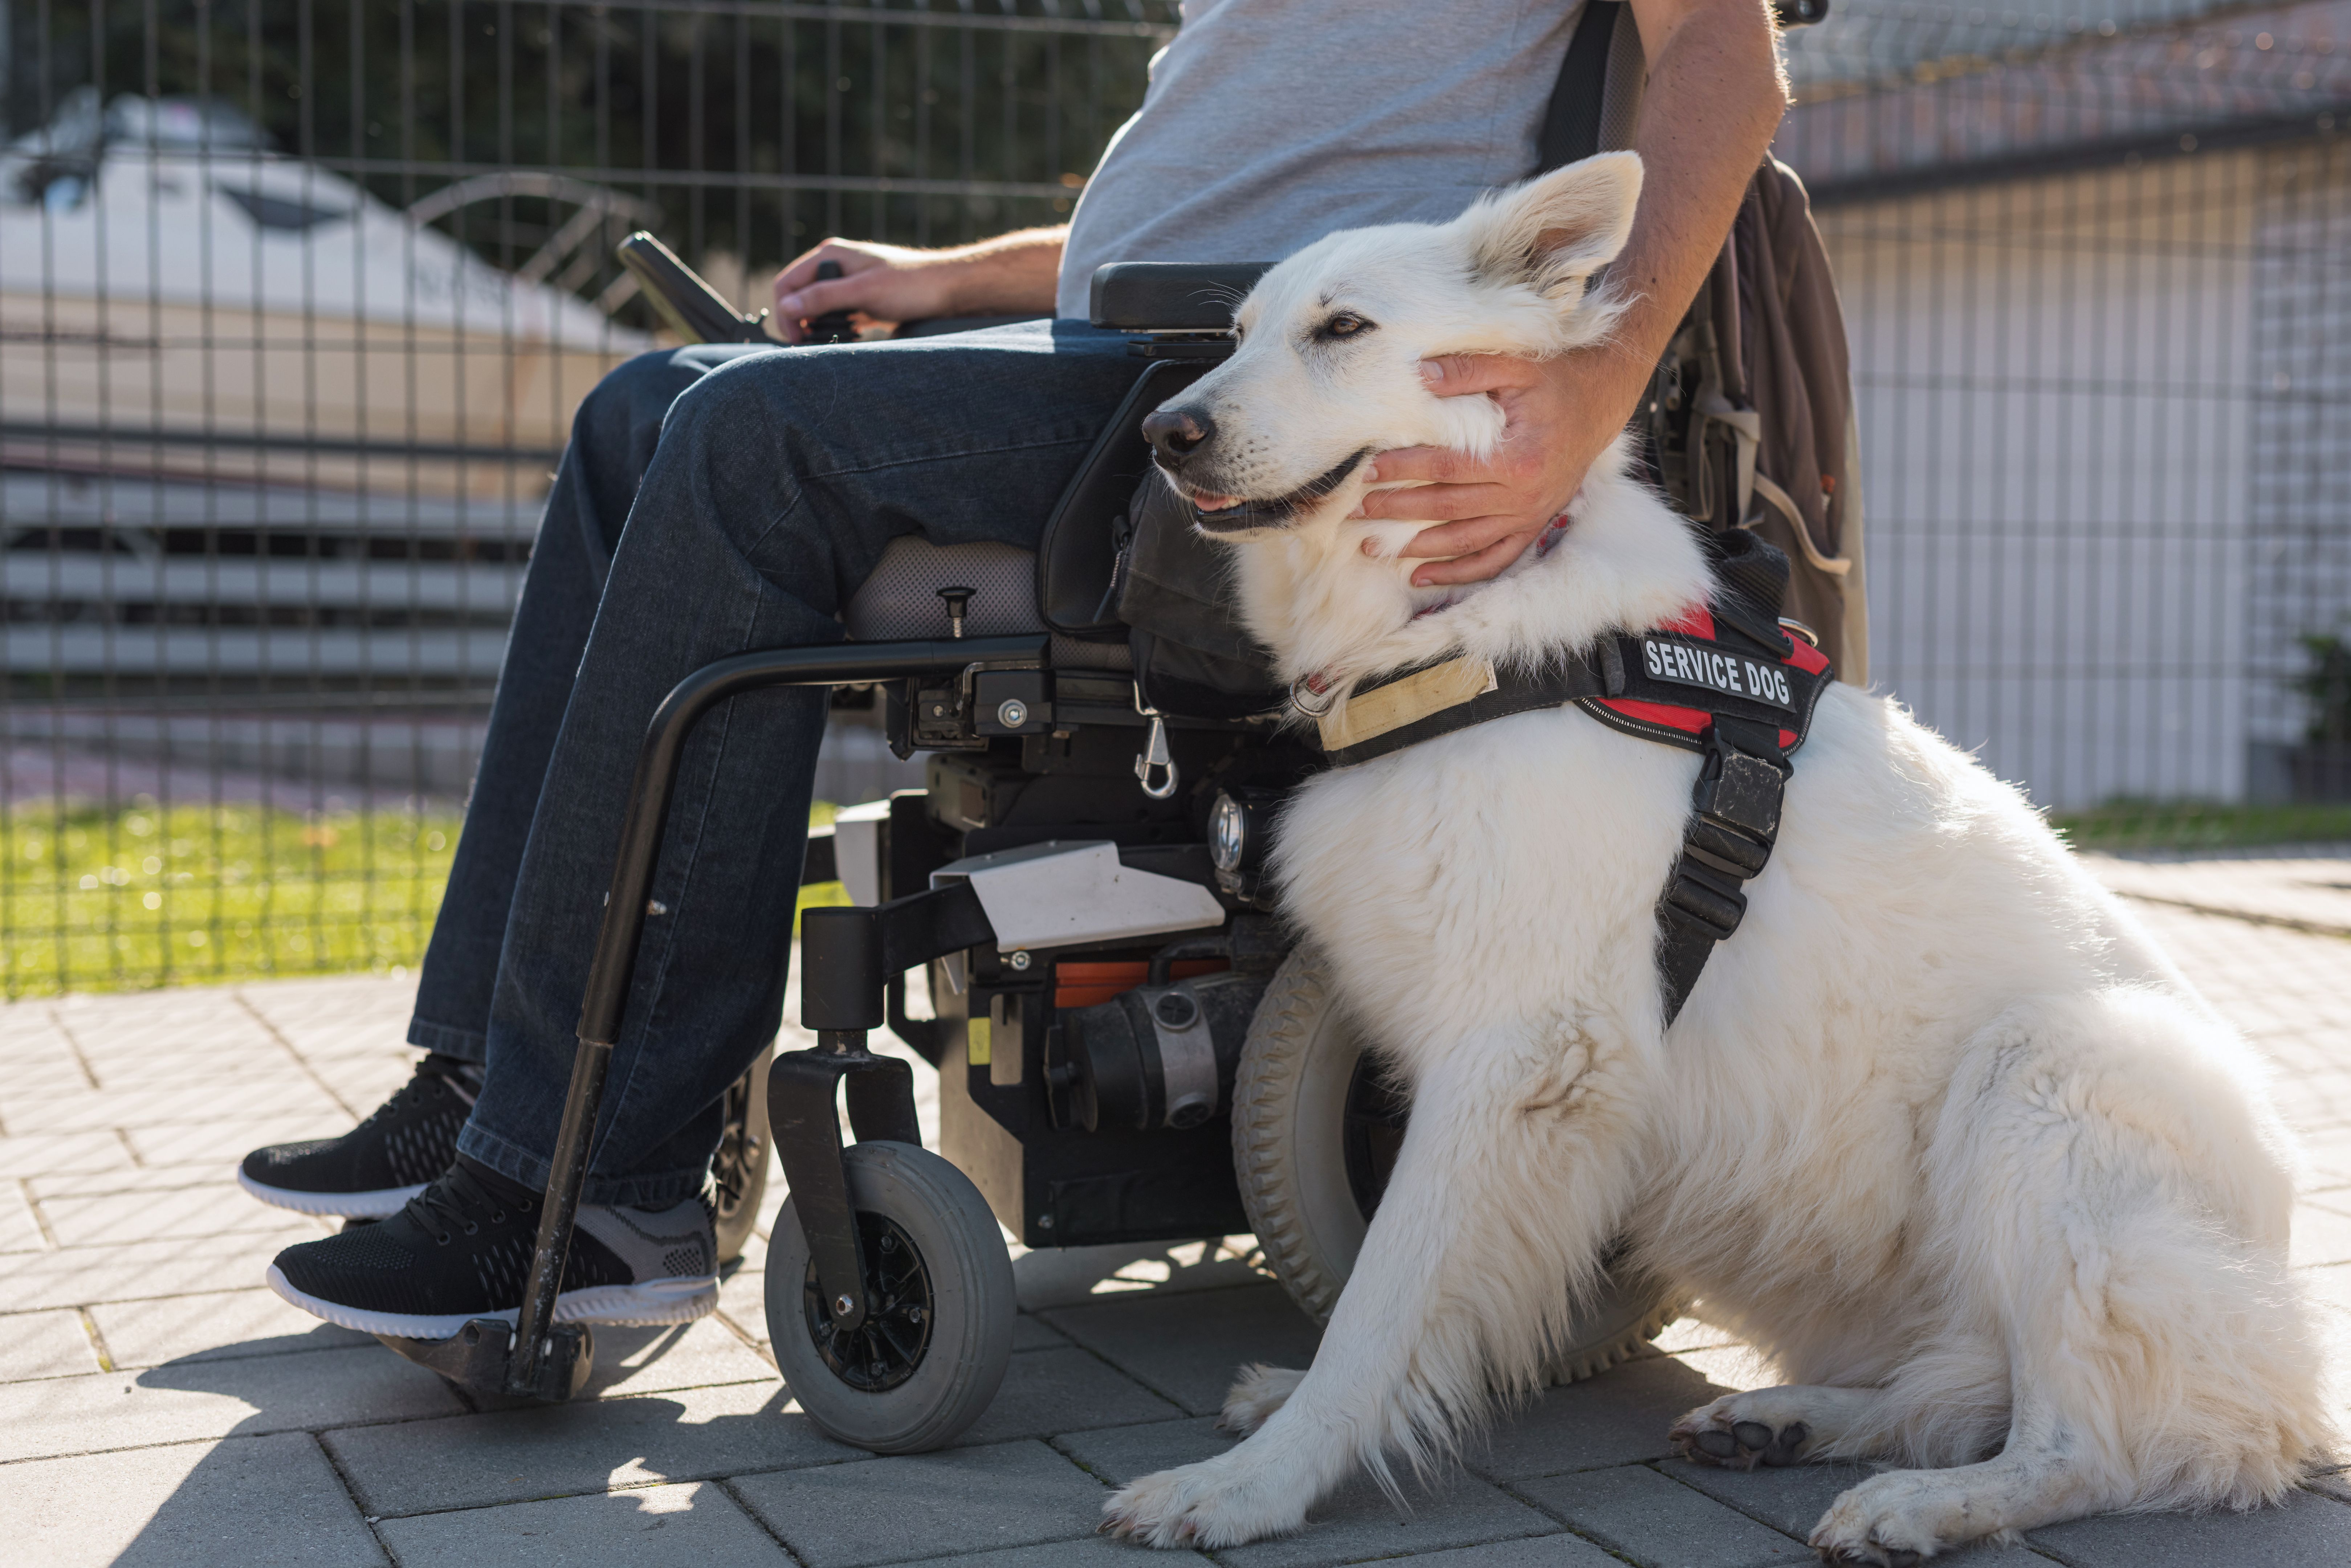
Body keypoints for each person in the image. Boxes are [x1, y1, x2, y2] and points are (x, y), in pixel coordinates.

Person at [244, 0, 1792, 1339]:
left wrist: (1587, 386)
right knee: (638, 411)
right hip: (1140, 339)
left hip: (1246, 382)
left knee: (736, 442)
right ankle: (485, 1083)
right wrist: (955, 277)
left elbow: (1729, 52)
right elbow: (1229, 184)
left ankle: (596, 1190)